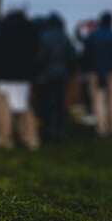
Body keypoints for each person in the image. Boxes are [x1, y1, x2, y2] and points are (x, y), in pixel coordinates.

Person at [0, 0, 40, 151]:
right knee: (24, 108)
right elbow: (35, 50)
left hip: (2, 75)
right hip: (23, 76)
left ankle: (4, 139)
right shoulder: (30, 27)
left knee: (3, 108)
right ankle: (31, 139)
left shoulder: (1, 25)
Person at [34, 12, 76, 142]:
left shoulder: (44, 36)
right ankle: (60, 130)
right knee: (59, 103)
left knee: (47, 103)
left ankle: (49, 130)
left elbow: (40, 57)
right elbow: (72, 57)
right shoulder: (65, 37)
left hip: (46, 75)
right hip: (62, 75)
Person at [84, 11, 112, 137]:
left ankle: (102, 129)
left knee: (98, 101)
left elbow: (87, 55)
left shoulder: (92, 36)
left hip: (95, 72)